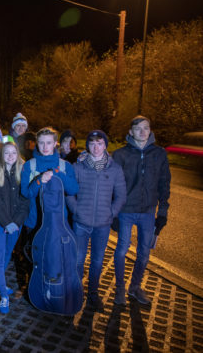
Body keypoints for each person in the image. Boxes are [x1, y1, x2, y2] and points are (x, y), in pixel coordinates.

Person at [112, 116, 171, 305]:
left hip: (148, 212)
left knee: (144, 253)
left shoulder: (159, 154)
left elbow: (164, 184)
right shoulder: (120, 155)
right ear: (131, 132)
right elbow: (112, 185)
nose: (143, 132)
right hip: (126, 211)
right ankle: (120, 288)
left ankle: (135, 287)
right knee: (121, 250)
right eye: (138, 128)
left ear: (150, 130)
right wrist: (113, 213)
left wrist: (162, 212)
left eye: (146, 128)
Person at [66, 130, 126, 311]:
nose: (96, 147)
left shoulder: (114, 169)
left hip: (103, 224)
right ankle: (76, 293)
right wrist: (76, 211)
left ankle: (93, 293)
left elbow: (121, 195)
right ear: (88, 146)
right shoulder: (78, 167)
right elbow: (70, 193)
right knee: (78, 259)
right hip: (81, 223)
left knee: (98, 261)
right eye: (92, 143)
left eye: (100, 143)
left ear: (105, 145)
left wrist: (111, 213)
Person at [19, 127, 79, 285]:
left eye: (48, 143)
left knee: (54, 259)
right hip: (34, 222)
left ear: (55, 144)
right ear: (37, 144)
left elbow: (73, 189)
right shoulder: (29, 166)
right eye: (41, 143)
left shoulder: (65, 166)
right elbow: (25, 193)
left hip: (58, 223)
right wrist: (39, 180)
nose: (45, 147)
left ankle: (52, 291)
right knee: (34, 258)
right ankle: (34, 290)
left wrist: (57, 174)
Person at [0, 142, 29, 314]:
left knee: (8, 253)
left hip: (15, 224)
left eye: (13, 153)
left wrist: (16, 223)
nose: (10, 156)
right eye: (7, 153)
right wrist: (6, 222)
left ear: (18, 154)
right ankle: (3, 295)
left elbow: (26, 200)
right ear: (1, 155)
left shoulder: (23, 172)